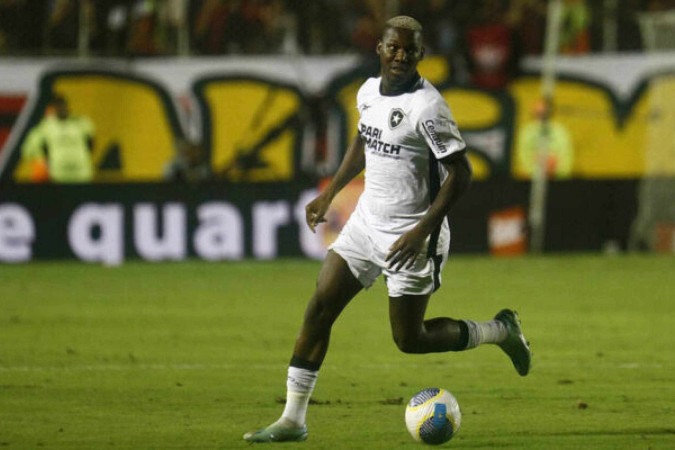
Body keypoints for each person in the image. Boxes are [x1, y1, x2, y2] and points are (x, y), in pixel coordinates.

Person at [243, 16, 532, 443]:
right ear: (380, 47)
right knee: (319, 308)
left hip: (414, 236)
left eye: (409, 50)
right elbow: (364, 138)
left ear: (421, 55)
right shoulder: (366, 91)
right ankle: (293, 419)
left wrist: (420, 231)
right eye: (393, 47)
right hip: (364, 224)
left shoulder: (427, 107)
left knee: (410, 339)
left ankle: (500, 330)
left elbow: (462, 174)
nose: (399, 56)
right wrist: (331, 193)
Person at [21, 94, 95, 183]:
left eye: (63, 105)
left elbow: (91, 143)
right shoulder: (46, 125)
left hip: (82, 173)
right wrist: (43, 161)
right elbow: (28, 149)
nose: (61, 109)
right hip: (59, 175)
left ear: (67, 106)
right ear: (53, 108)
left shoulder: (81, 122)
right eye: (58, 106)